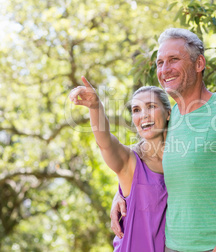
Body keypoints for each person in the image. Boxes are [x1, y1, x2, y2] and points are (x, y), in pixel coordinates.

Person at [111, 28, 216, 252]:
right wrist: (120, 193)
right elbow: (145, 158)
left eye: (173, 60)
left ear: (199, 63)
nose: (165, 69)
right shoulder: (172, 117)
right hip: (172, 247)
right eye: (160, 63)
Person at [69, 77, 171, 251]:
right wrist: (95, 107)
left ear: (168, 113)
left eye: (151, 106)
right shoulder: (130, 161)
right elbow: (105, 142)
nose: (144, 115)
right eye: (136, 110)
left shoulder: (184, 158)